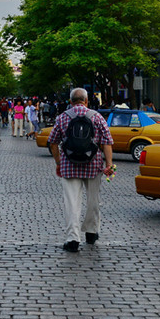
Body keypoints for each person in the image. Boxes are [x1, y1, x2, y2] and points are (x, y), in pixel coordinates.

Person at [47, 87, 114, 251]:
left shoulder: (63, 118)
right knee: (93, 200)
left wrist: (58, 163)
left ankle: (72, 239)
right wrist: (109, 164)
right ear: (86, 101)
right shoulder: (96, 117)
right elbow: (107, 141)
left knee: (72, 203)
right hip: (93, 165)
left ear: (70, 102)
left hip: (69, 166)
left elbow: (53, 143)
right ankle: (91, 232)